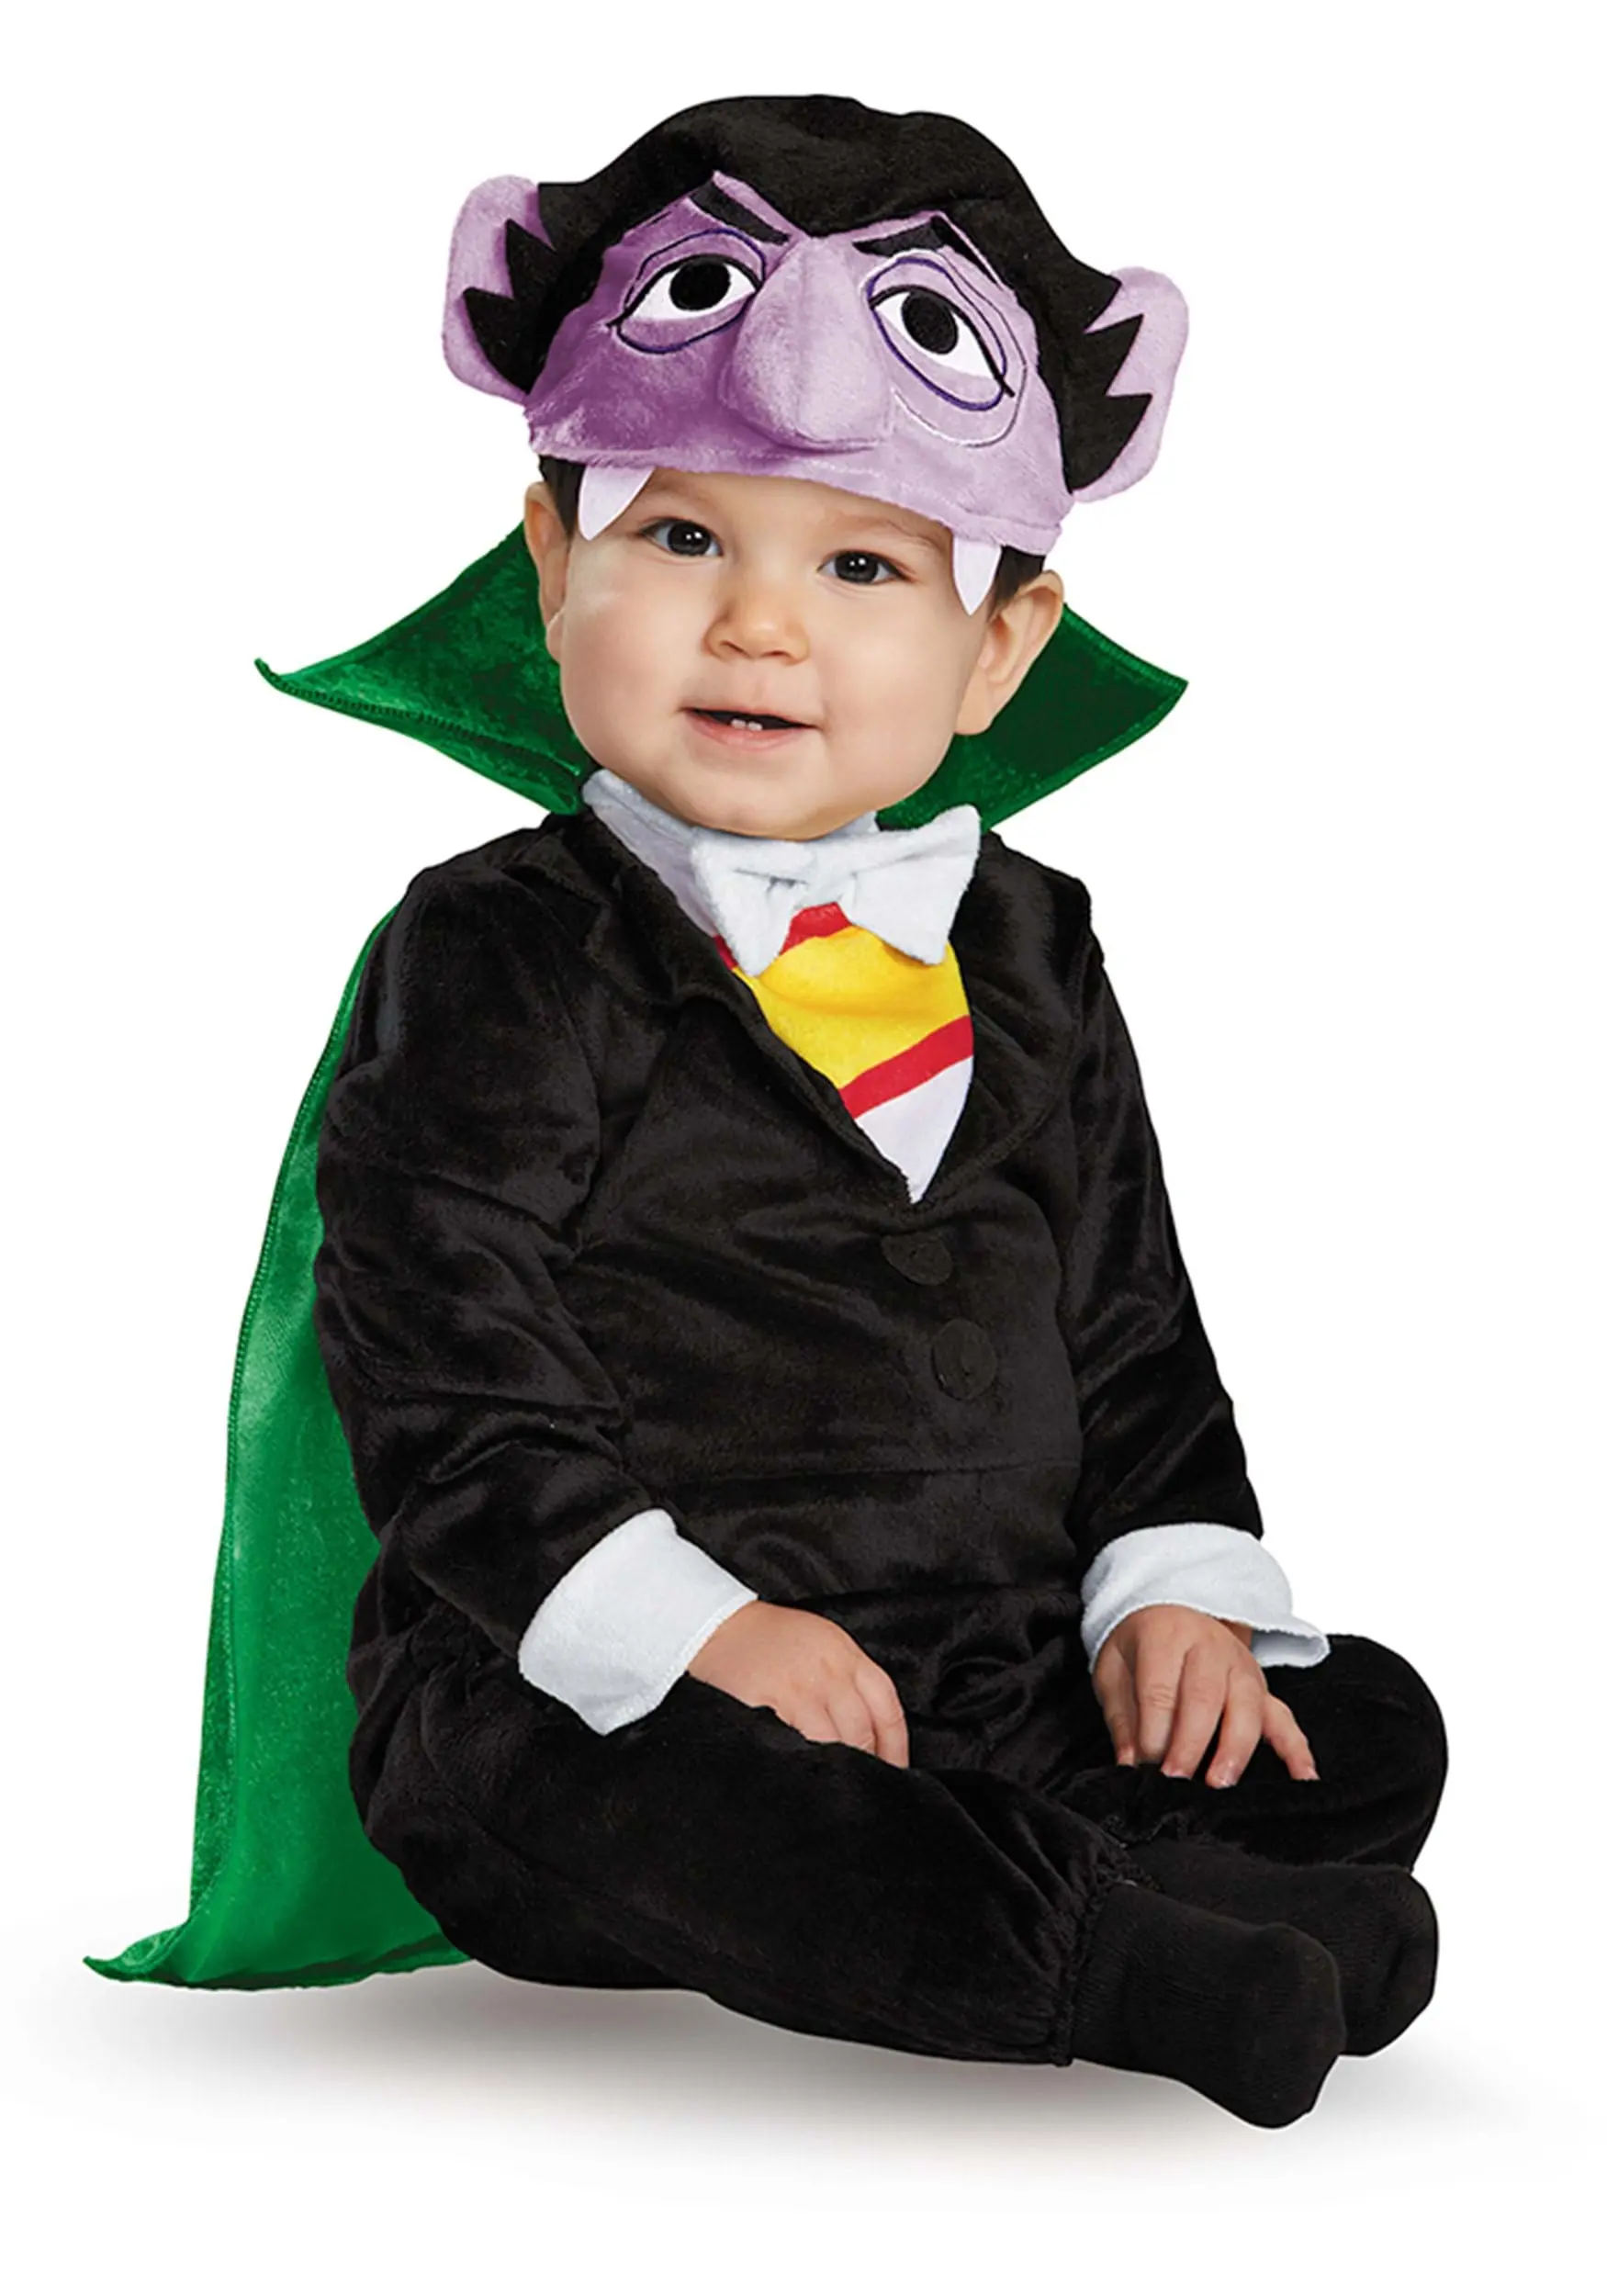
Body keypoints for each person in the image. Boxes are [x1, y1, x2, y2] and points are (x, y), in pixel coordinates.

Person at [309, 92, 1448, 2127]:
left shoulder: (1032, 941)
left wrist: (1174, 1596)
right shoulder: (501, 946)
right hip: (608, 1674)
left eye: (859, 563)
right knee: (636, 1787)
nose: (760, 624)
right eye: (680, 538)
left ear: (999, 646)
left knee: (1345, 1720)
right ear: (551, 561)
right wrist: (698, 1625)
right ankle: (1112, 1954)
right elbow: (441, 1360)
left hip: (976, 1667)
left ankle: (1111, 1861)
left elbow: (1127, 1326)